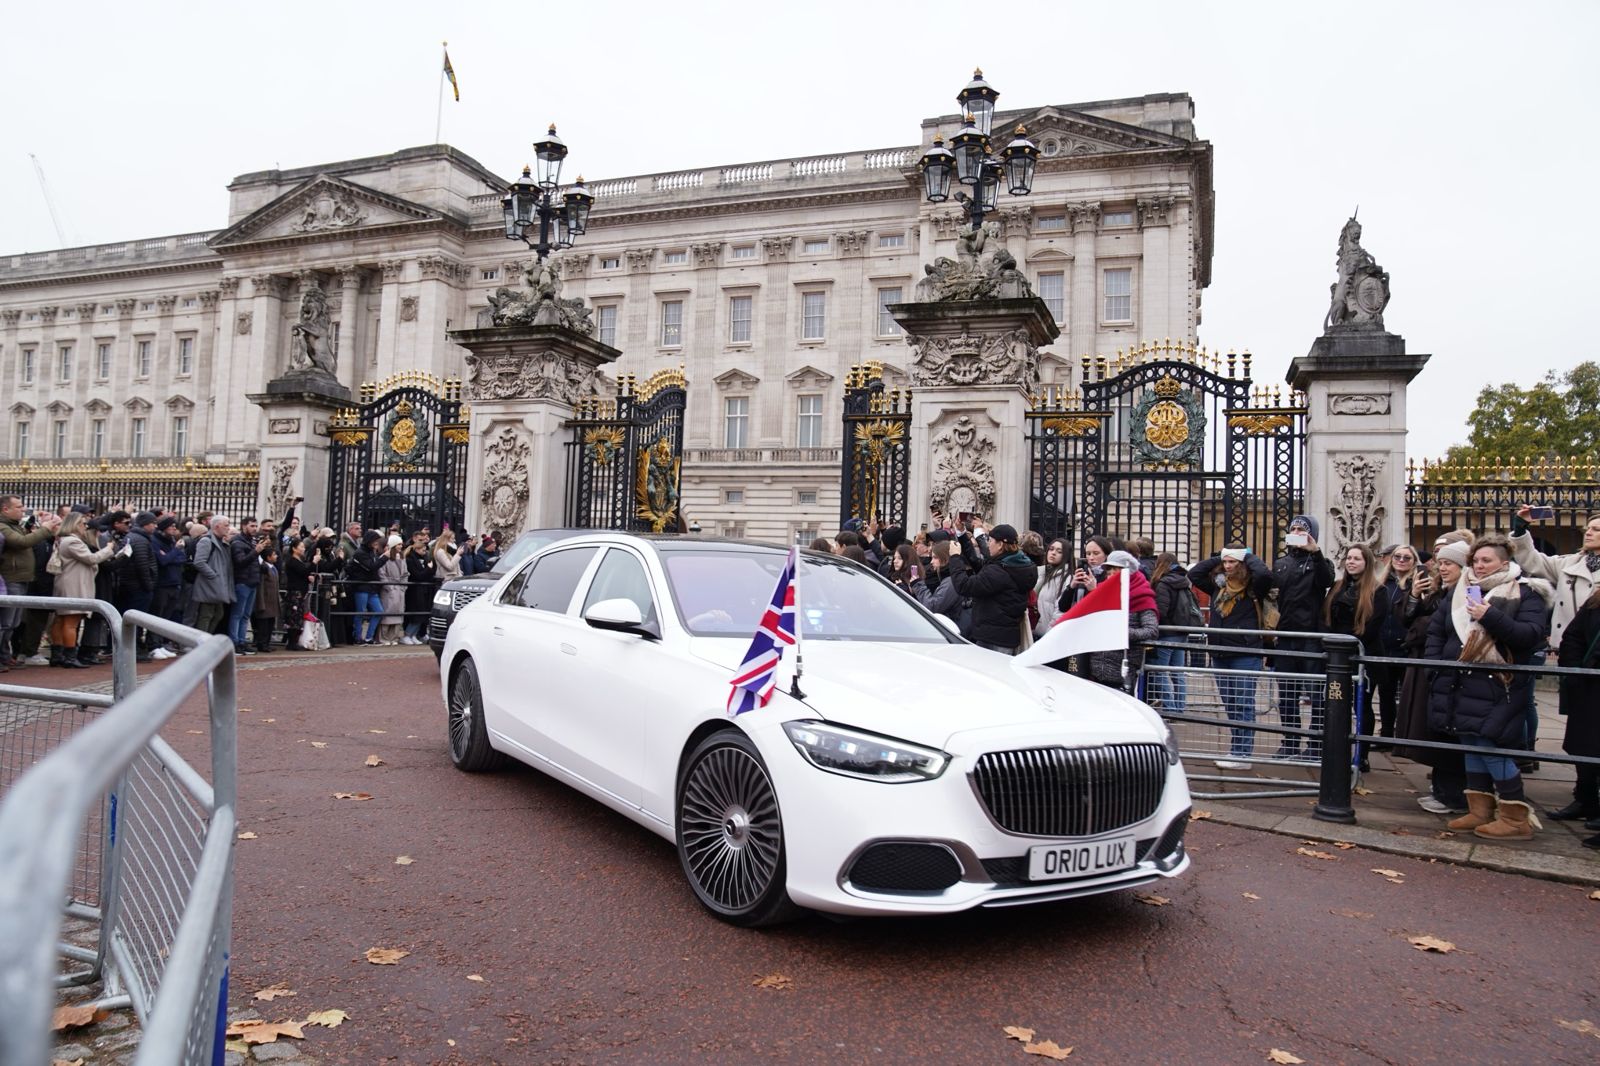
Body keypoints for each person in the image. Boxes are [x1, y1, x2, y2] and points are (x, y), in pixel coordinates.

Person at [1425, 537, 1553, 840]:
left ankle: (1514, 817)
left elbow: (1530, 635)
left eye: (1487, 561)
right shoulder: (1459, 593)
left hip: (1498, 683)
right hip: (1459, 681)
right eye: (1476, 561)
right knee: (1470, 743)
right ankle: (1479, 810)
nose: (1479, 566)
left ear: (1505, 563)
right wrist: (1434, 667)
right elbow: (1436, 631)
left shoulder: (1526, 594)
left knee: (1490, 746)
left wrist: (1489, 615)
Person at [1509, 506, 1599, 763]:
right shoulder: (1570, 562)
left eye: (1596, 530)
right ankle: (1585, 786)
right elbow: (1533, 561)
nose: (1588, 532)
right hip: (1574, 651)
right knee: (1580, 719)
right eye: (1588, 528)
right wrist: (1521, 528)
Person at [1396, 536, 1472, 815]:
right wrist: (1415, 595)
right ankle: (1443, 791)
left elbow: (1437, 627)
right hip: (1429, 667)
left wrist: (1422, 623)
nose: (1442, 568)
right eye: (1440, 562)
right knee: (1435, 730)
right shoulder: (1440, 592)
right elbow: (1407, 619)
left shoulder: (1466, 593)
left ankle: (1454, 795)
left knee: (1449, 736)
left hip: (1448, 669)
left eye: (1449, 563)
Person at [1190, 546, 1275, 769]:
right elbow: (1194, 574)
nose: (1228, 566)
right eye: (1225, 563)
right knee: (1231, 705)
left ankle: (1243, 754)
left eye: (1232, 562)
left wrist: (1246, 555)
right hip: (1220, 652)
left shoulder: (1254, 587)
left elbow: (1265, 574)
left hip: (1245, 652)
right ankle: (1235, 750)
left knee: (1244, 704)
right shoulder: (1217, 586)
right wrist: (1219, 556)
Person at [1271, 515, 1335, 758]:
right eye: (1294, 529)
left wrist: (1315, 552)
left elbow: (1326, 580)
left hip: (1311, 636)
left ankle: (1316, 743)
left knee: (1316, 694)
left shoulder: (1322, 562)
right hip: (1286, 635)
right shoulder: (1281, 563)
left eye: (1302, 529)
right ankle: (1290, 741)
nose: (1296, 532)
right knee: (1287, 694)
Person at [1323, 544, 1391, 770]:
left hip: (1364, 655)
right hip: (1338, 656)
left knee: (1362, 706)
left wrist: (1348, 643)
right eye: (1349, 558)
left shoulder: (1378, 591)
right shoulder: (1337, 587)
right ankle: (1337, 749)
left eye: (1357, 559)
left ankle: (1361, 755)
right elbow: (1327, 618)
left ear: (1367, 563)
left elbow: (1372, 627)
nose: (1351, 562)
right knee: (1337, 703)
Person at [48, 512, 125, 668]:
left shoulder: (65, 540)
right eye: (83, 523)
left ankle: (58, 654)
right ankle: (69, 656)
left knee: (61, 620)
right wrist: (109, 549)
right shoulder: (73, 542)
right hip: (74, 584)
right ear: (75, 525)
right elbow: (91, 559)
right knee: (71, 622)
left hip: (69, 582)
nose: (85, 527)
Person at [1554, 583, 1600, 847]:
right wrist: (1575, 672)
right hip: (1588, 686)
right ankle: (1586, 800)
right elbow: (1573, 636)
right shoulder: (1595, 601)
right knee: (1584, 746)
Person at [946, 522, 1035, 654]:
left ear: (1000, 545)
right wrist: (962, 535)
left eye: (990, 540)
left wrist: (954, 557)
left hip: (992, 638)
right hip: (1003, 635)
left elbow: (964, 586)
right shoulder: (1014, 563)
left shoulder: (1000, 571)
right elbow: (978, 563)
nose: (987, 544)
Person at [1082, 551, 1160, 693]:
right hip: (1097, 666)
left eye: (1115, 570)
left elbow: (1151, 630)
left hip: (1123, 668)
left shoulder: (1142, 596)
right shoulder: (1103, 592)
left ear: (1127, 573)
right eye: (1108, 571)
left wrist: (1122, 632)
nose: (1110, 575)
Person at [0, 495, 61, 671]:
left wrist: (41, 526)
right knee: (5, 623)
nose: (23, 509)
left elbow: (26, 537)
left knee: (13, 623)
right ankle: (2, 656)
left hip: (21, 579)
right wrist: (45, 529)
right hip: (11, 578)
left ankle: (5, 655)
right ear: (6, 509)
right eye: (19, 507)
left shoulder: (14, 525)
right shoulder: (3, 526)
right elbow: (22, 542)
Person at [1148, 551, 1201, 712]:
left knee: (1160, 672)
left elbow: (1161, 610)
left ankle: (1170, 708)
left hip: (1167, 632)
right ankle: (1179, 708)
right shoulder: (1183, 581)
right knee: (1178, 672)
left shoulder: (1163, 583)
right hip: (1181, 631)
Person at [190, 516, 236, 637]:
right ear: (217, 526)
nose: (228, 528)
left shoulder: (222, 542)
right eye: (226, 525)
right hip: (210, 585)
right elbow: (199, 562)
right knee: (206, 615)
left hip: (218, 585)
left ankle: (206, 639)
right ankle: (200, 641)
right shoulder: (206, 541)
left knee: (218, 614)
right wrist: (214, 576)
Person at [228, 517, 264, 654]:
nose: (255, 529)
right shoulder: (238, 542)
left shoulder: (251, 541)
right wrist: (256, 551)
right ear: (244, 526)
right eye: (252, 526)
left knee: (245, 615)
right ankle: (234, 642)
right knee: (237, 614)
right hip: (242, 582)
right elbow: (240, 562)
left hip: (252, 581)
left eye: (256, 526)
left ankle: (242, 641)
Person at [345, 530, 385, 645]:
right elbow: (371, 567)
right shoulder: (360, 552)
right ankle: (358, 637)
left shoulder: (372, 552)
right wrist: (384, 557)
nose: (377, 543)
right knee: (360, 612)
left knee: (378, 611)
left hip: (371, 586)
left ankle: (369, 637)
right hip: (361, 586)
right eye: (375, 541)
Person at [402, 529, 436, 645]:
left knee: (423, 614)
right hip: (415, 590)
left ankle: (414, 634)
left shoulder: (425, 558)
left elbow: (429, 573)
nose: (425, 551)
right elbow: (418, 575)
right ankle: (407, 634)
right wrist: (429, 569)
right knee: (416, 614)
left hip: (424, 590)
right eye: (423, 549)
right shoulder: (410, 559)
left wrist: (430, 569)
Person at [1034, 539, 1072, 639]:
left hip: (1048, 636)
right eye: (1051, 549)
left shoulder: (1066, 578)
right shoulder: (1043, 573)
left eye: (1059, 551)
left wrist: (1049, 636)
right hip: (1036, 631)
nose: (1053, 553)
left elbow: (1060, 611)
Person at [377, 534, 408, 645]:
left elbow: (405, 574)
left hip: (399, 588)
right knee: (388, 613)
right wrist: (389, 587)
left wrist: (404, 587)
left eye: (401, 544)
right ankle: (384, 637)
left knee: (398, 614)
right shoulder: (385, 557)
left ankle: (393, 637)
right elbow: (382, 573)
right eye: (399, 544)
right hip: (389, 588)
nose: (401, 546)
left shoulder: (402, 557)